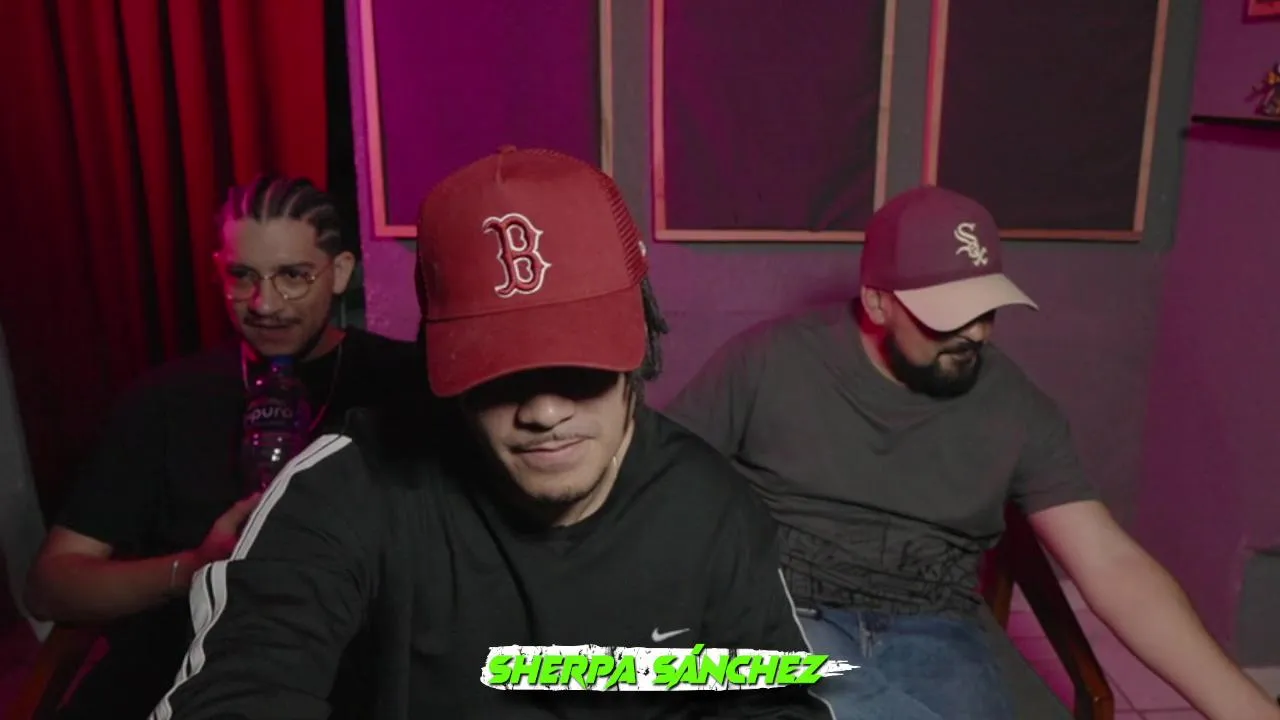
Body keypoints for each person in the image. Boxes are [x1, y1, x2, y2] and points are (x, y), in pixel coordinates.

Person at [150, 147, 834, 720]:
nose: (544, 410)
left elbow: (773, 706)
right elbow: (245, 683)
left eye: (580, 365)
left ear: (641, 342)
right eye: (498, 371)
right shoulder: (348, 487)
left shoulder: (709, 509)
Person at [665, 185, 1280, 720]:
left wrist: (1253, 710)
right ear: (878, 302)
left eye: (986, 308)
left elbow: (1112, 564)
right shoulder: (770, 361)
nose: (976, 332)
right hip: (789, 608)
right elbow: (656, 485)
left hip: (934, 624)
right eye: (948, 314)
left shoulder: (1016, 407)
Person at [24, 174, 423, 720]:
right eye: (242, 276)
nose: (265, 303)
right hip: (171, 675)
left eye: (293, 276)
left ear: (340, 273)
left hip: (345, 681)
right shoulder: (165, 399)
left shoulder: (403, 383)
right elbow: (50, 587)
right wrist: (193, 568)